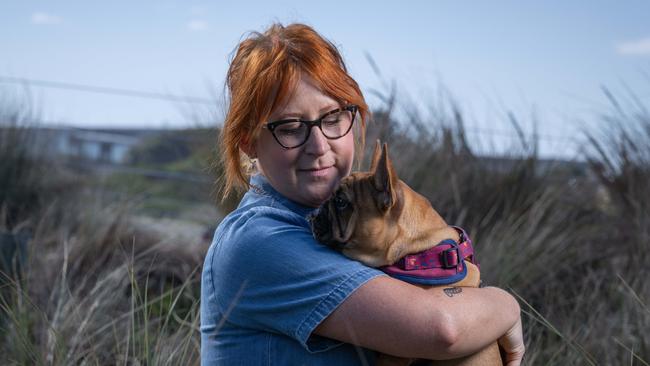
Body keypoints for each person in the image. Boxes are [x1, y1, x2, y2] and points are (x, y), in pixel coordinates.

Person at [200, 22, 524, 365]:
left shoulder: (349, 224)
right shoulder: (261, 242)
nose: (320, 146)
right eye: (291, 128)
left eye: (333, 118)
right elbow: (442, 330)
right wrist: (505, 305)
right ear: (248, 141)